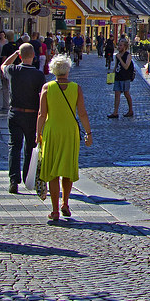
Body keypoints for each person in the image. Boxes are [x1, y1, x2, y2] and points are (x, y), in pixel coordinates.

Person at [35, 54, 92, 221]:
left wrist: (37, 133)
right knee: (67, 168)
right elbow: (82, 113)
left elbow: (41, 114)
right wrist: (88, 133)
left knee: (52, 170)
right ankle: (65, 203)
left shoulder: (47, 88)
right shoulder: (76, 88)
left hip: (52, 131)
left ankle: (54, 210)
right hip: (69, 131)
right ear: (68, 70)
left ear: (53, 70)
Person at [1, 42, 46, 194]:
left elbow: (3, 66)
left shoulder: (13, 70)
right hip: (32, 114)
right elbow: (42, 97)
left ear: (20, 56)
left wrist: (14, 54)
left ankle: (14, 180)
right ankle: (28, 178)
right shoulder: (39, 75)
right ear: (33, 56)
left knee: (14, 147)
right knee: (30, 147)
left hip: (15, 112)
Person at [109, 38, 135, 118]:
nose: (118, 47)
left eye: (120, 45)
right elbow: (116, 66)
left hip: (125, 77)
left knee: (126, 94)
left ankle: (130, 110)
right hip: (118, 77)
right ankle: (115, 112)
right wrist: (111, 76)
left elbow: (126, 66)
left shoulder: (128, 55)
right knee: (117, 94)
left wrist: (120, 58)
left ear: (125, 46)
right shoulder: (117, 55)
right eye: (118, 45)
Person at [0, 31, 19, 111]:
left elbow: (4, 59)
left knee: (5, 88)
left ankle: (6, 105)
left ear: (6, 37)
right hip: (16, 69)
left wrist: (2, 71)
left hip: (7, 68)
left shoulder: (6, 46)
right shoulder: (18, 46)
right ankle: (14, 104)